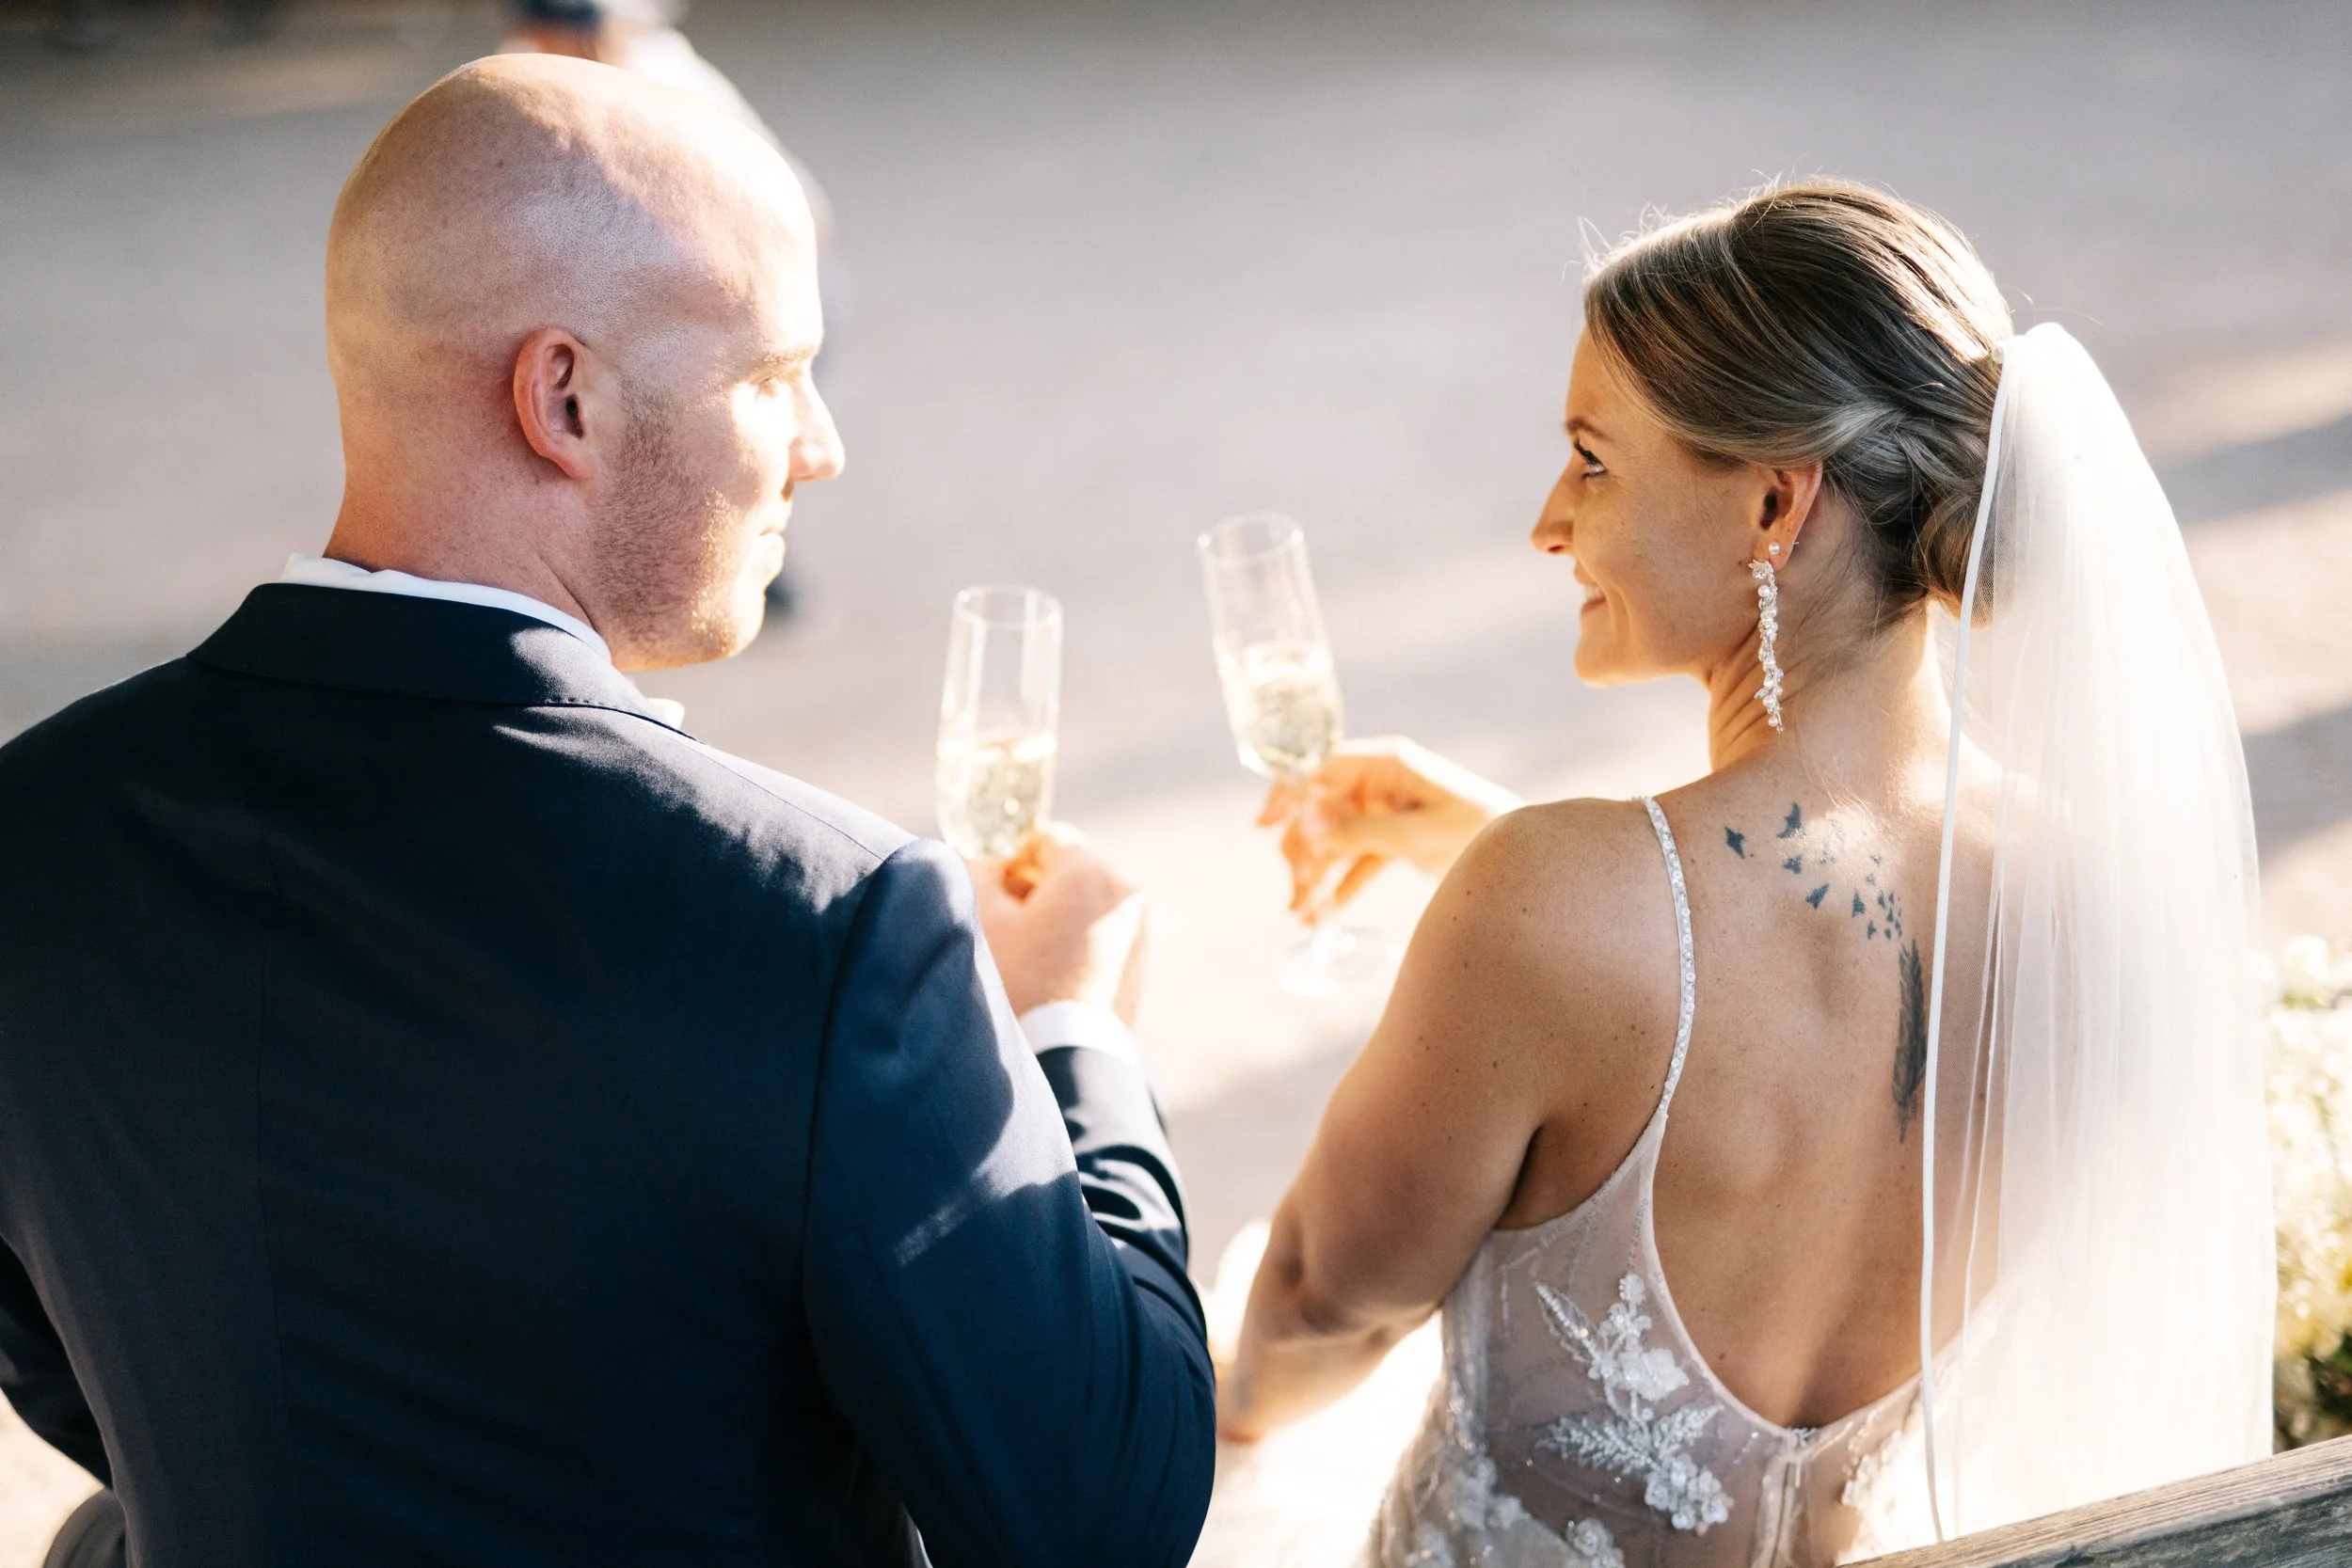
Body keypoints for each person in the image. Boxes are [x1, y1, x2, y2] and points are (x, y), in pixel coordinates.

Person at [0, 55, 1214, 1568]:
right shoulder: (833, 922)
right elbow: (1099, 1515)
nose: (821, 443)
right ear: (561, 397)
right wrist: (1072, 1038)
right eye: (772, 374)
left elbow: (81, 1376)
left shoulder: (28, 830)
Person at [1219, 182, 2273, 1565]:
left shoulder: (1550, 906)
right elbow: (1804, 970)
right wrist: (1488, 843)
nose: (1548, 521)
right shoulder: (2093, 895)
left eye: (1592, 459)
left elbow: (1317, 1300)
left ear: (1776, 503)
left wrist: (1221, 1445)